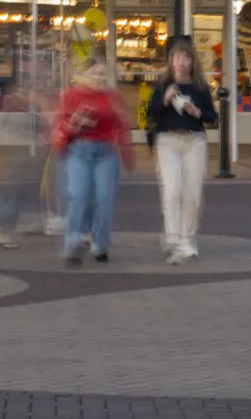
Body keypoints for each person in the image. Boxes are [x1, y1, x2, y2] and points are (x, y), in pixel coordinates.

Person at [52, 57, 133, 267]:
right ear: (86, 74)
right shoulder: (71, 95)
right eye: (95, 73)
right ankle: (73, 242)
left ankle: (101, 245)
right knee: (78, 196)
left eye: (103, 74)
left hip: (105, 152)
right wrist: (74, 124)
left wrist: (127, 152)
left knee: (104, 199)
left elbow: (123, 125)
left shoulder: (113, 97)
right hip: (79, 150)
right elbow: (59, 124)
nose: (99, 78)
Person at [146, 36, 217, 264]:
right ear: (170, 60)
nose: (181, 62)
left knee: (193, 194)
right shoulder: (163, 84)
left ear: (192, 60)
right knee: (172, 190)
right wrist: (165, 100)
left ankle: (188, 238)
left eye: (186, 57)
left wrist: (197, 112)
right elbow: (151, 113)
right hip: (167, 141)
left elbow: (211, 117)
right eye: (177, 56)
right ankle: (173, 238)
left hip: (194, 141)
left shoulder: (200, 87)